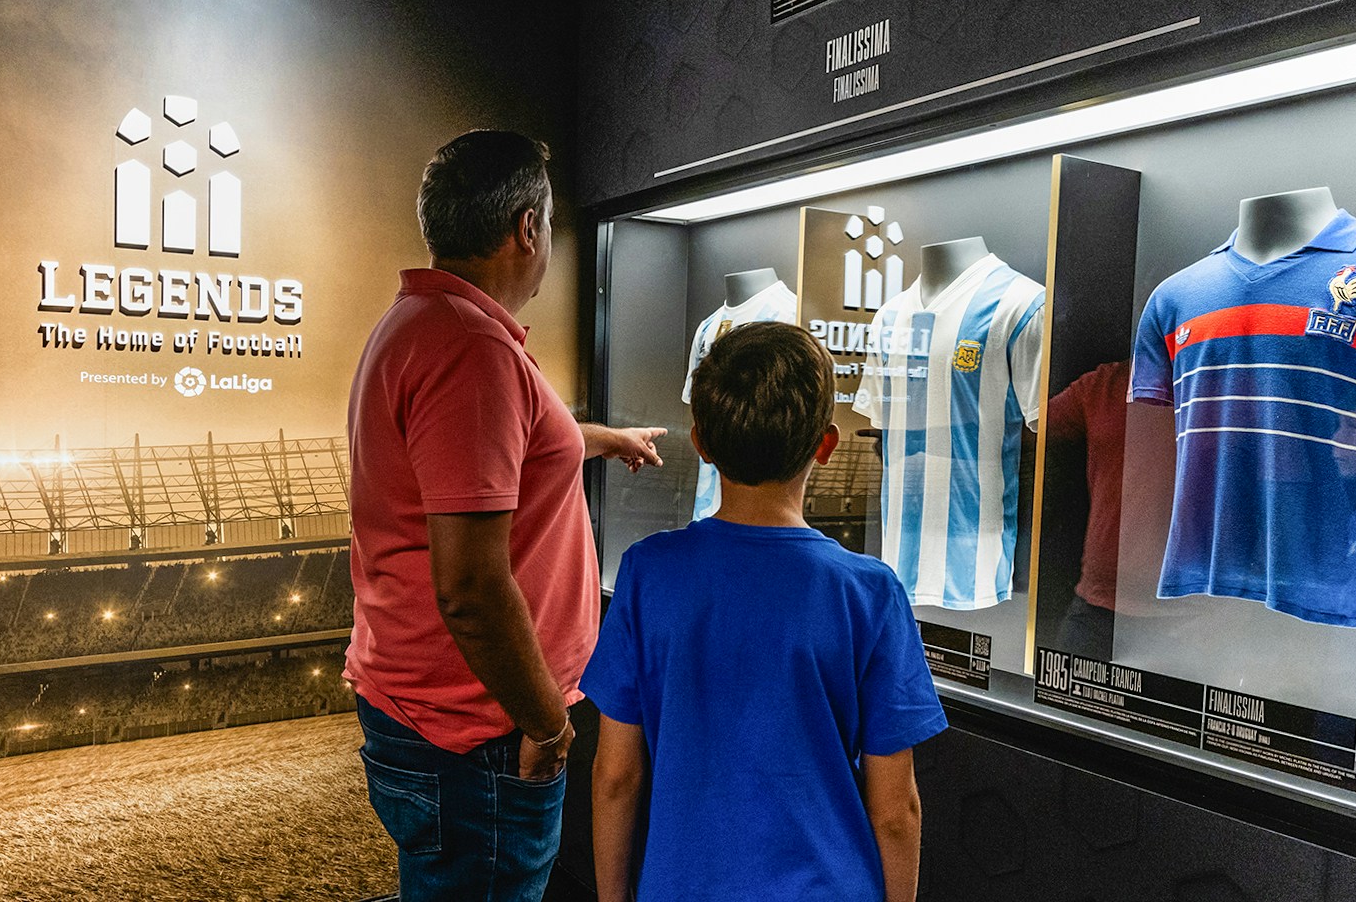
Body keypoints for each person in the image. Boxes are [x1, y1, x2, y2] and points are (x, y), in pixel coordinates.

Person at [344, 130, 665, 902]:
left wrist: (594, 439)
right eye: (549, 225)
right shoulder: (469, 352)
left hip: (438, 711)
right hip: (478, 730)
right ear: (527, 228)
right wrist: (548, 723)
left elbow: (500, 451)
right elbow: (470, 585)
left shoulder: (428, 324)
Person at [582, 322, 948, 902]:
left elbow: (615, 776)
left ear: (700, 444)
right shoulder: (870, 593)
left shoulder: (649, 574)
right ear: (826, 445)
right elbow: (896, 808)